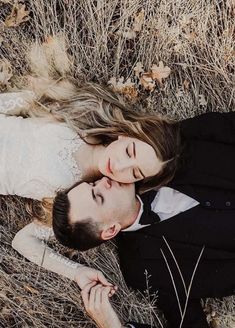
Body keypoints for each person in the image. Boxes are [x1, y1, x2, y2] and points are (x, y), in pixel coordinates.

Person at [52, 112, 235, 327]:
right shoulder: (143, 269)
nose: (103, 182)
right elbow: (189, 323)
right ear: (110, 230)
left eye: (93, 185)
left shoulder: (153, 154)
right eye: (98, 197)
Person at [6, 82, 179, 281]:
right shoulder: (86, 117)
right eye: (128, 151)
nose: (120, 166)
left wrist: (76, 272)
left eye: (135, 173)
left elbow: (23, 240)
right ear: (125, 135)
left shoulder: (82, 200)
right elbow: (31, 98)